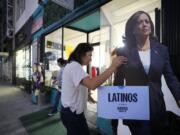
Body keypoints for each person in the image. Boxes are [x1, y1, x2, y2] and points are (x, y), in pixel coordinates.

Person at [111, 11, 180, 135]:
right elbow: (119, 82)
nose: (144, 24)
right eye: (140, 22)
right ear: (133, 29)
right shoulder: (124, 52)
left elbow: (171, 78)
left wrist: (179, 97)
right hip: (135, 110)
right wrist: (115, 111)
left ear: (151, 26)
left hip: (157, 108)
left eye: (147, 21)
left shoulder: (162, 50)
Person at [60, 43, 127, 135]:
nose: (91, 59)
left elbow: (79, 86)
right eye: (89, 55)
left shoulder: (73, 66)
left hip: (71, 113)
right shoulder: (74, 66)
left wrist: (88, 97)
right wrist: (113, 67)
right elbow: (92, 84)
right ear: (81, 54)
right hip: (72, 114)